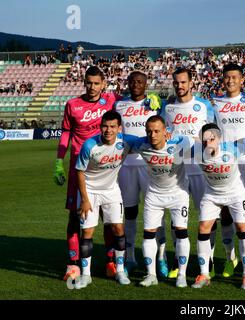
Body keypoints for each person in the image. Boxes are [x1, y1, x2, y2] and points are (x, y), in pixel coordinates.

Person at [54, 66, 121, 282]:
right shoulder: (72, 105)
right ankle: (72, 264)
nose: (92, 87)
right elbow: (66, 134)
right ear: (84, 82)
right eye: (88, 82)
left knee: (109, 217)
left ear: (103, 83)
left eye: (96, 83)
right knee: (76, 215)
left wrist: (151, 101)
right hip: (79, 167)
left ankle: (110, 261)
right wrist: (58, 161)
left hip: (106, 167)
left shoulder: (112, 100)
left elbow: (134, 101)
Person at [74, 110, 137, 289]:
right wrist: (85, 199)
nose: (108, 130)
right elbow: (79, 171)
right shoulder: (90, 145)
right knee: (87, 232)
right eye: (104, 126)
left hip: (111, 191)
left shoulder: (126, 141)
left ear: (119, 128)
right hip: (89, 192)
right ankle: (85, 275)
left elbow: (147, 142)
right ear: (100, 126)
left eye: (112, 127)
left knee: (118, 228)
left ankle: (120, 270)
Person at [161, 67, 215, 278]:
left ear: (192, 83)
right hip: (176, 168)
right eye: (176, 82)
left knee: (208, 216)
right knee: (176, 218)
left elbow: (213, 134)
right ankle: (178, 261)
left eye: (183, 82)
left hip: (201, 168)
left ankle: (208, 259)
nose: (179, 86)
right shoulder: (167, 107)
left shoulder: (204, 106)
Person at [114, 71, 168, 276]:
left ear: (146, 85)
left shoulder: (154, 103)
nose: (135, 85)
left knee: (157, 210)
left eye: (140, 82)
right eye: (132, 81)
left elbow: (167, 121)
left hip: (150, 164)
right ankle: (130, 257)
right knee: (130, 212)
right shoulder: (119, 105)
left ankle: (161, 257)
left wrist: (161, 103)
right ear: (127, 83)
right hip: (126, 164)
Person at [211, 63, 245, 278]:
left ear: (242, 79)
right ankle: (230, 258)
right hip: (226, 164)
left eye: (234, 77)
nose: (230, 81)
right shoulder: (216, 103)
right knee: (225, 213)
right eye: (227, 77)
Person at [190, 123, 245, 290]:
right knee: (203, 228)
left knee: (242, 228)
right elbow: (169, 144)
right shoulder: (193, 151)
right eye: (204, 140)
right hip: (212, 194)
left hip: (236, 193)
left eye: (212, 139)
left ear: (219, 139)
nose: (208, 143)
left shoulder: (233, 148)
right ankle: (204, 274)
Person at [132, 115, 192, 288]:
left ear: (165, 132)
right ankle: (151, 275)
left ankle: (182, 274)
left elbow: (195, 140)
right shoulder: (141, 145)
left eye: (157, 131)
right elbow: (122, 141)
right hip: (154, 195)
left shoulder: (179, 145)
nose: (153, 135)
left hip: (178, 194)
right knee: (148, 234)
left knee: (181, 232)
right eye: (149, 131)